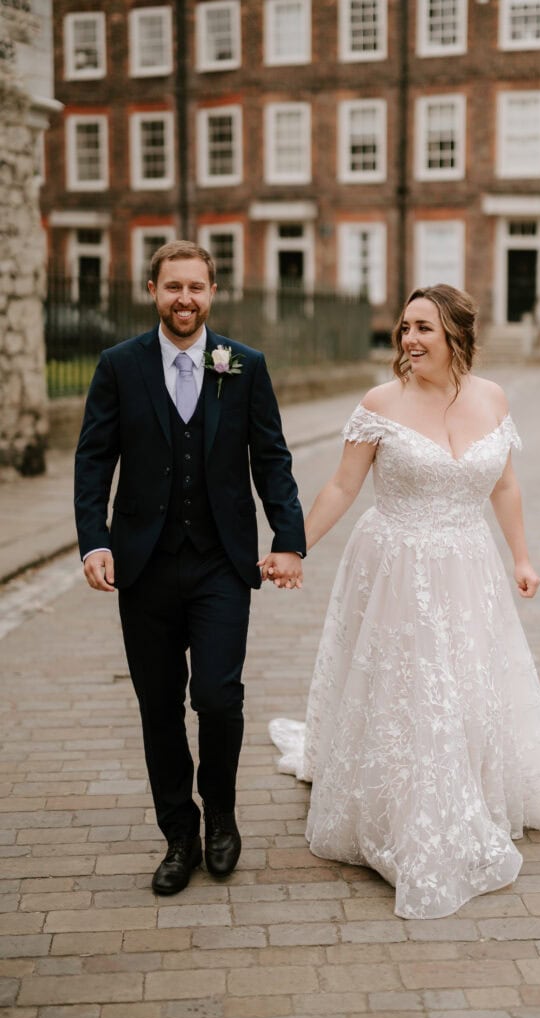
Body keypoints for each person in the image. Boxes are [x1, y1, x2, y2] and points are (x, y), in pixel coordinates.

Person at [269, 284, 540, 919]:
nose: (410, 339)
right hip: (397, 565)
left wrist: (522, 558)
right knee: (411, 685)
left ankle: (468, 778)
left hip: (470, 565)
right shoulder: (380, 403)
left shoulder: (492, 398)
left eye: (424, 329)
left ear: (456, 336)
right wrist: (292, 547)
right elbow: (342, 486)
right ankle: (406, 804)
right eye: (406, 327)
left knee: (466, 679)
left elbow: (505, 486)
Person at [75, 240, 305, 896]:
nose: (185, 299)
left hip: (220, 563)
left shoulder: (244, 364)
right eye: (173, 286)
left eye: (196, 287)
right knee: (158, 705)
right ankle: (179, 834)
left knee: (217, 697)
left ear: (212, 293)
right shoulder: (119, 366)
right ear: (153, 290)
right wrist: (95, 541)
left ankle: (221, 815)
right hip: (143, 565)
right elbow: (93, 459)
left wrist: (289, 538)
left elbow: (271, 458)